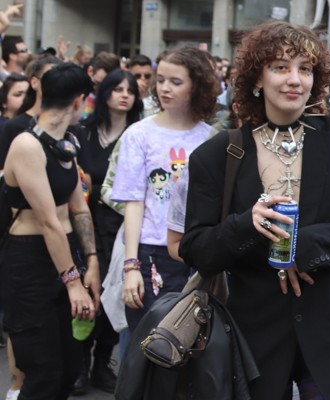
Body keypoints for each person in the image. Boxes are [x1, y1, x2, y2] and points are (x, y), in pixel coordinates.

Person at [180, 21, 330, 400]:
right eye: (280, 67)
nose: (295, 79)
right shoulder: (218, 154)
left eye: (305, 69)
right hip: (252, 341)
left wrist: (303, 247)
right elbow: (196, 249)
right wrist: (247, 224)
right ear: (256, 79)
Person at [1, 63, 99, 400]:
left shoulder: (66, 142)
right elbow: (47, 221)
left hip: (64, 252)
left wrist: (92, 261)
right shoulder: (27, 144)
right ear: (78, 102)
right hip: (28, 261)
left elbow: (79, 207)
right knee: (43, 371)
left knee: (68, 368)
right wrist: (73, 282)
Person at [110, 46, 217, 332]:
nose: (165, 88)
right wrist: (131, 266)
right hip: (150, 253)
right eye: (161, 80)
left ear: (196, 85)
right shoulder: (139, 134)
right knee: (147, 344)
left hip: (193, 254)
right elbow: (133, 203)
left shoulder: (211, 138)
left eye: (176, 82)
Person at [73, 69, 143, 393]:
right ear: (104, 94)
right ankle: (80, 366)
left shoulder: (138, 134)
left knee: (114, 296)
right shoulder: (84, 132)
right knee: (88, 296)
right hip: (83, 225)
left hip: (120, 228)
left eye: (130, 89)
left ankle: (102, 363)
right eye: (117, 88)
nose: (124, 94)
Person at [0, 55, 61, 169]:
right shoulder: (13, 126)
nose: (55, 84)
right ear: (34, 82)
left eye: (60, 79)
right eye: (49, 78)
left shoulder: (69, 126)